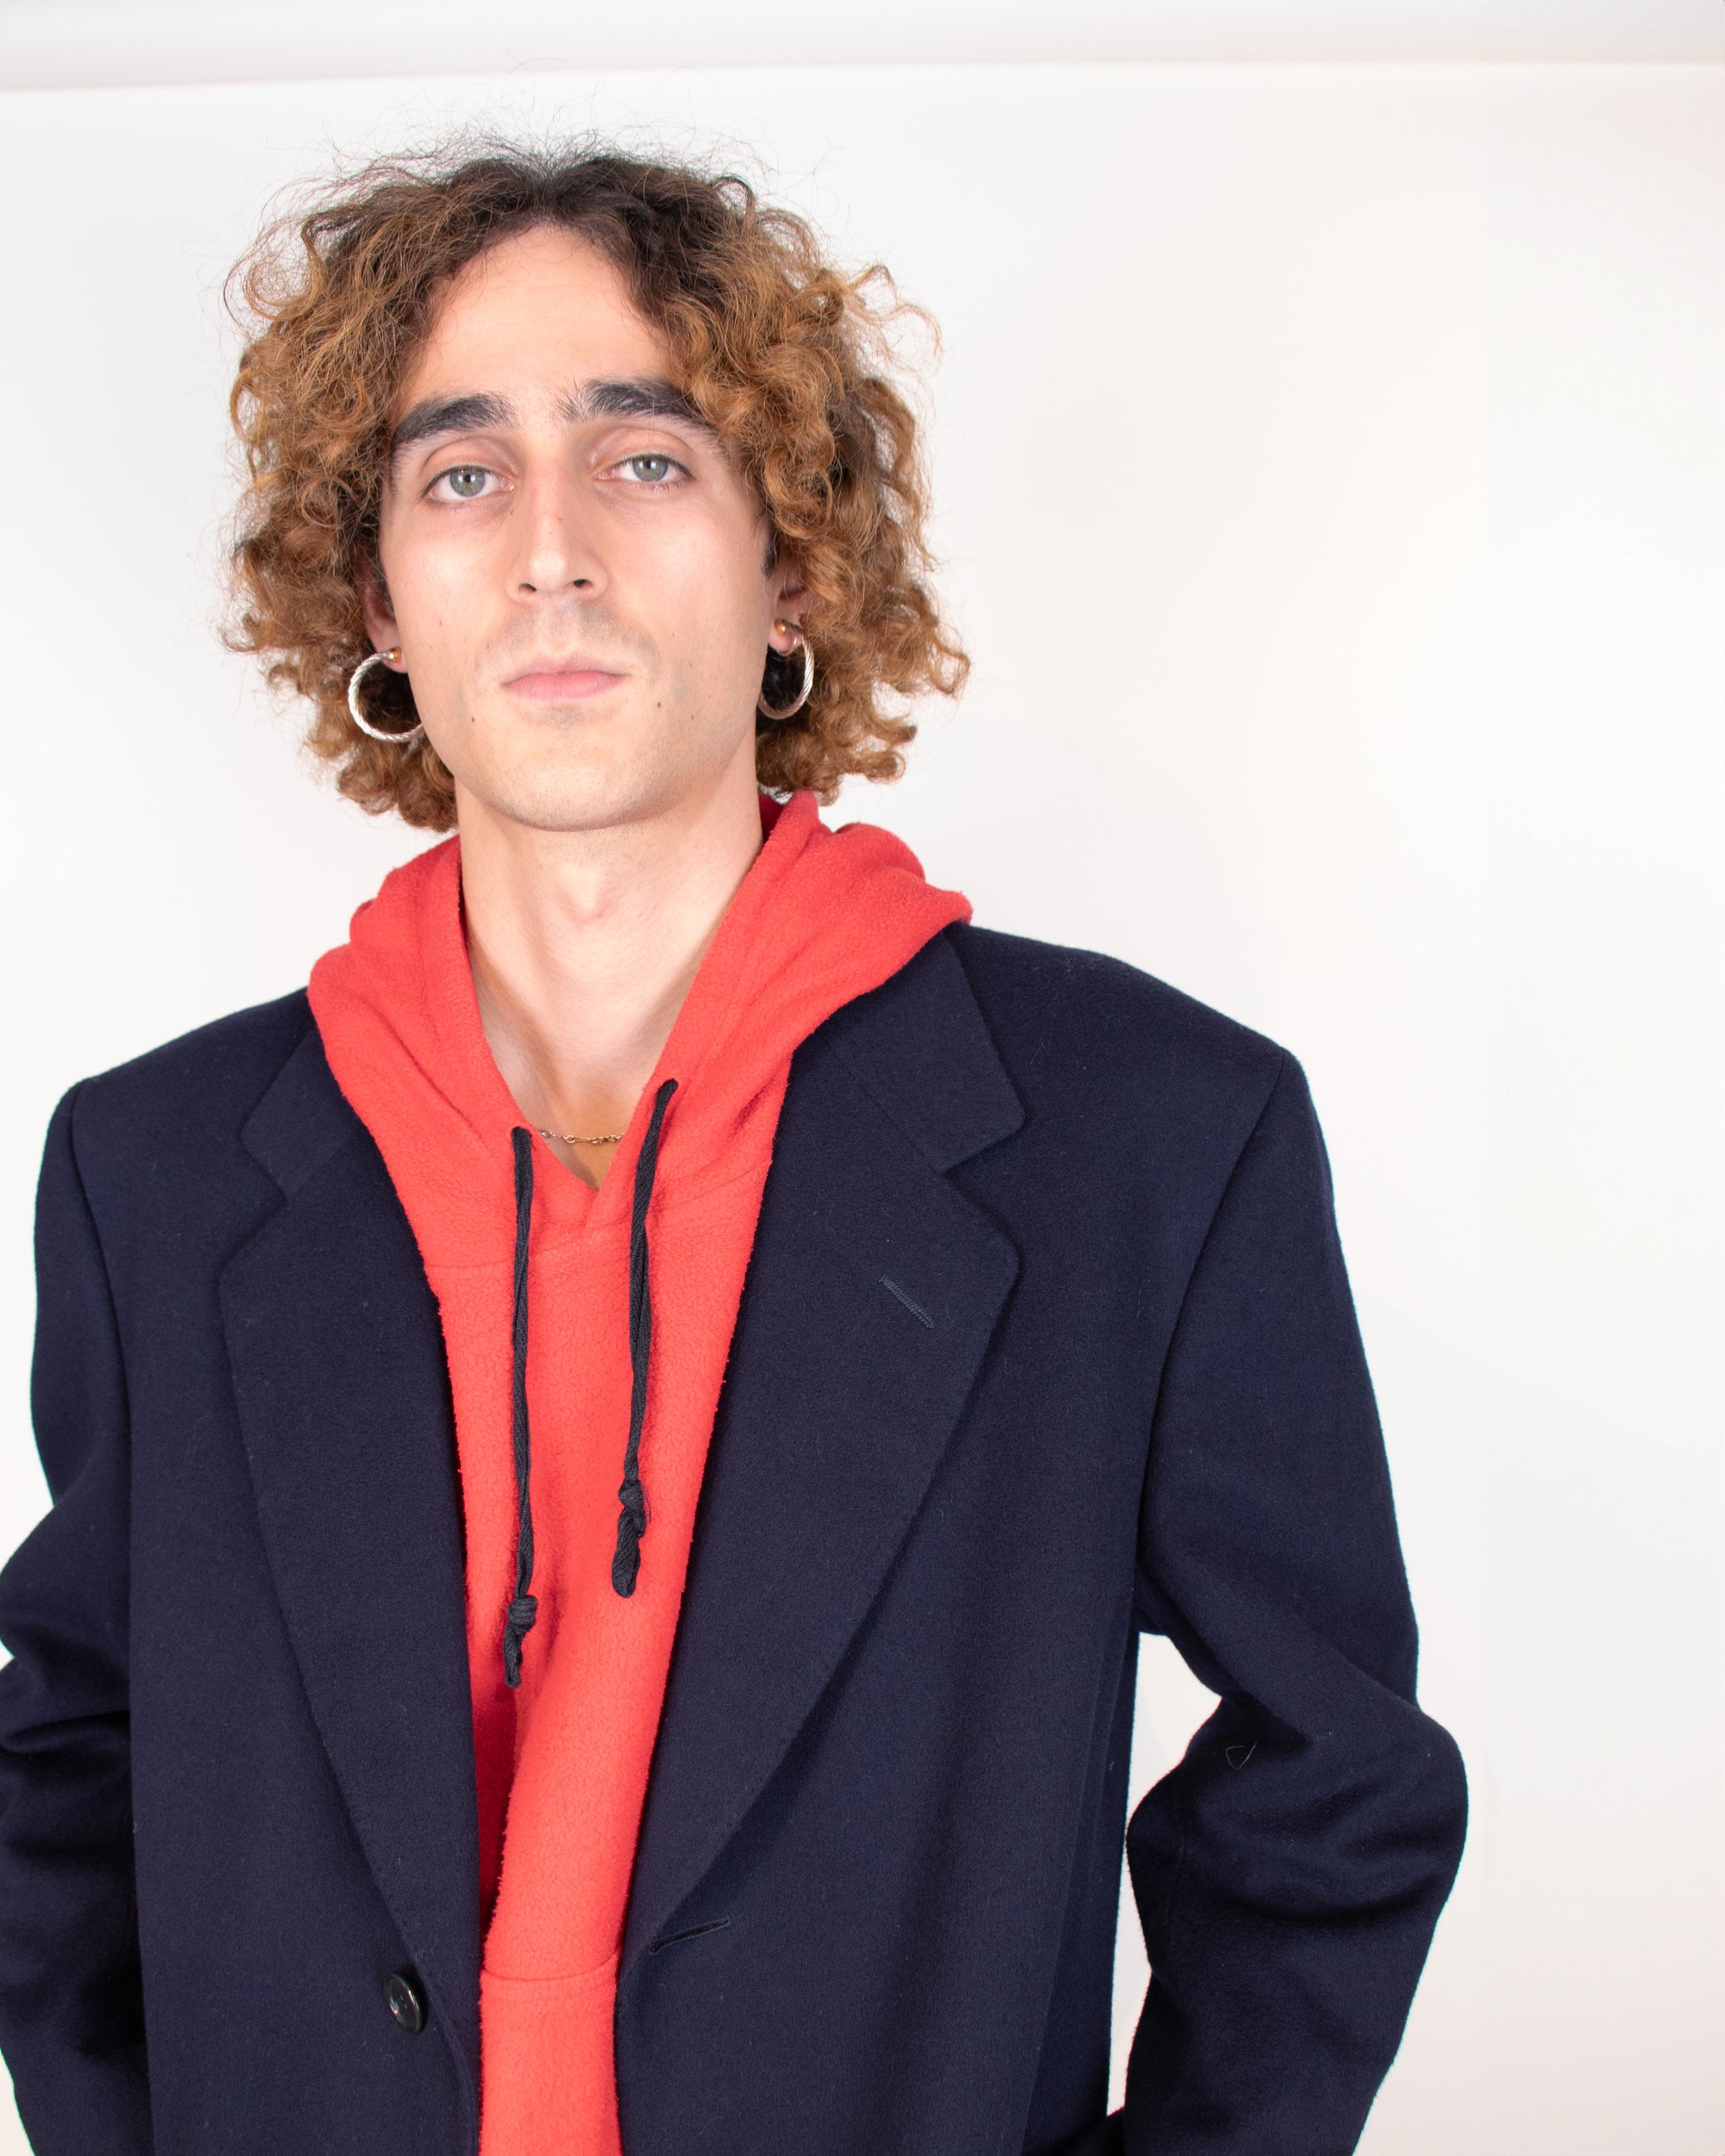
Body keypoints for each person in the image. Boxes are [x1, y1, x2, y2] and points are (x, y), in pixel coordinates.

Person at [0, 145, 1465, 2156]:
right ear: (379, 600)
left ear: (792, 569)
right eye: (462, 472)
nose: (551, 549)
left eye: (645, 456)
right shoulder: (151, 1171)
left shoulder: (1149, 1137)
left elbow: (1337, 1769)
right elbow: (68, 1759)